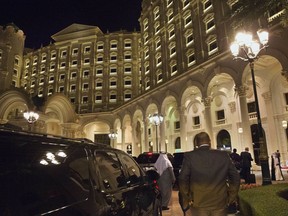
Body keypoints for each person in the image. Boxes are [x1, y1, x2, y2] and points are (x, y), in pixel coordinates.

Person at [178, 132, 240, 216]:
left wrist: (187, 199)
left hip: (198, 202)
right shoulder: (223, 155)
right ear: (210, 142)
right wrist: (231, 197)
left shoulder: (190, 156)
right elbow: (235, 177)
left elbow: (182, 179)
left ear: (196, 143)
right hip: (220, 202)